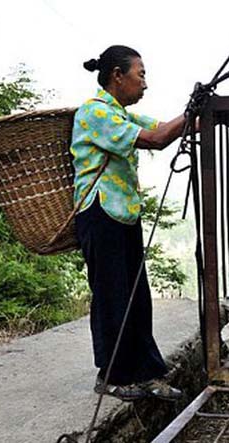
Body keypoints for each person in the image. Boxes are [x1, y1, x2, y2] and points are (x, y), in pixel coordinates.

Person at [71, 45, 189, 401]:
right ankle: (111, 375)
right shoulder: (94, 113)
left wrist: (198, 115)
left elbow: (161, 128)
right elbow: (157, 138)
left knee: (137, 296)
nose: (145, 84)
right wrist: (192, 112)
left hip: (123, 213)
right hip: (99, 212)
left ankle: (148, 373)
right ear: (117, 76)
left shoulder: (121, 114)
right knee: (112, 296)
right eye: (141, 75)